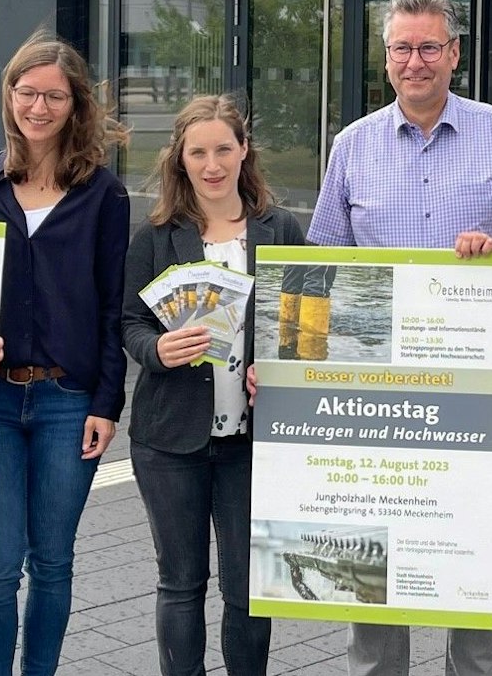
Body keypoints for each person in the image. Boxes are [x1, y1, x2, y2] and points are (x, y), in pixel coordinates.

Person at [309, 0, 492, 676]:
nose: (414, 61)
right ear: (385, 56)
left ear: (454, 53)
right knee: (374, 529)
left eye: (428, 47)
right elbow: (324, 259)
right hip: (375, 377)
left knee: (473, 532)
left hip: (475, 371)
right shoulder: (352, 145)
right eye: (401, 48)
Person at [0, 31, 131, 676]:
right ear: (10, 97)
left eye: (55, 96)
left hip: (67, 401)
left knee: (52, 562)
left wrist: (107, 403)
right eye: (27, 93)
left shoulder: (104, 194)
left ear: (75, 104)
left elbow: (112, 307)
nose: (39, 107)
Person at [122, 95, 305, 676]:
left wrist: (280, 364)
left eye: (223, 149)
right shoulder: (156, 236)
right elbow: (129, 322)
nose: (212, 164)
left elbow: (305, 321)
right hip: (169, 438)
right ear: (180, 158)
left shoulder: (281, 229)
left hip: (252, 442)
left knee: (248, 589)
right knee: (180, 583)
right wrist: (156, 350)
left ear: (244, 150)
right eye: (198, 152)